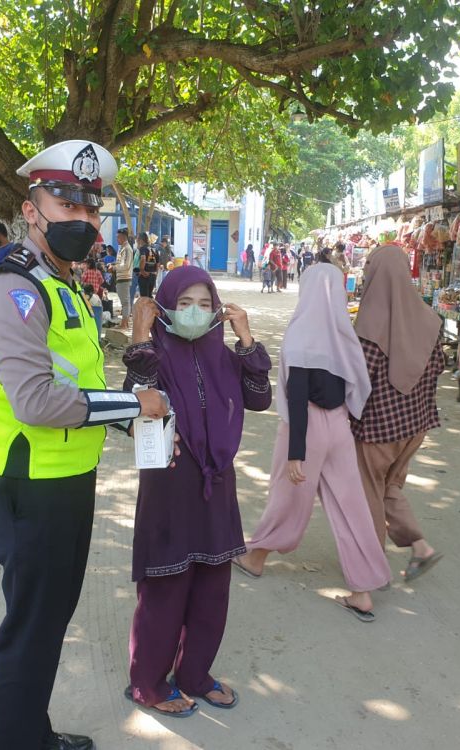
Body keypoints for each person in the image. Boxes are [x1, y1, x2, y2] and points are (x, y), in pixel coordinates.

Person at [0, 139, 169, 750]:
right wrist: (135, 405)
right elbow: (35, 401)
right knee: (30, 629)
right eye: (66, 202)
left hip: (65, 481)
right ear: (32, 208)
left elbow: (79, 389)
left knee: (48, 623)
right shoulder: (15, 290)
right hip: (31, 487)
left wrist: (132, 423)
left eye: (90, 207)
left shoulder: (64, 285)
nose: (81, 218)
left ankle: (32, 732)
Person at [123, 266, 271, 716]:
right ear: (165, 307)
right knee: (166, 586)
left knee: (212, 586)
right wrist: (140, 336)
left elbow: (260, 398)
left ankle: (194, 674)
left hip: (217, 483)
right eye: (183, 303)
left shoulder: (223, 356)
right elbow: (132, 404)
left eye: (205, 304)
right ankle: (147, 683)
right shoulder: (154, 354)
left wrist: (246, 340)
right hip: (169, 483)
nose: (194, 312)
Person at [234, 263, 390, 620]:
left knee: (288, 495)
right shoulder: (343, 334)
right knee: (351, 506)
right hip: (340, 427)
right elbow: (357, 389)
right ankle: (363, 590)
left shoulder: (303, 334)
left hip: (307, 428)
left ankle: (256, 557)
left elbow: (300, 396)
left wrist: (296, 454)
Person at [351, 246, 445, 583]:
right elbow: (437, 368)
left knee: (369, 494)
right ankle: (420, 547)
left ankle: (370, 568)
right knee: (390, 486)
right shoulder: (429, 319)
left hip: (378, 430)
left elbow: (358, 383)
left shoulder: (370, 324)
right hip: (416, 426)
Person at [114, 227, 134, 329]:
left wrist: (114, 267)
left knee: (125, 303)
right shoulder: (122, 248)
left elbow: (125, 265)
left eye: (118, 237)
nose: (117, 239)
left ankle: (124, 324)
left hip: (124, 278)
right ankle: (124, 322)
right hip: (121, 278)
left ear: (122, 237)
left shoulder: (126, 249)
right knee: (124, 302)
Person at [136, 231, 158, 299]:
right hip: (153, 275)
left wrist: (142, 270)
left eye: (137, 238)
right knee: (149, 296)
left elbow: (143, 259)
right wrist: (155, 274)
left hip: (144, 276)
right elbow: (157, 263)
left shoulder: (142, 249)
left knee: (144, 297)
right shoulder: (154, 249)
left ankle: (146, 309)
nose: (136, 240)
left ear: (140, 239)